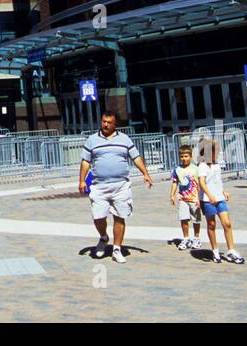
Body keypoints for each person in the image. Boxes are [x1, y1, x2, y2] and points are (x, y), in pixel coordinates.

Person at [79, 111, 153, 263]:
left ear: (115, 124)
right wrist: (81, 180)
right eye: (103, 121)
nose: (105, 125)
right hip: (99, 185)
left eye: (109, 122)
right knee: (98, 216)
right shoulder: (92, 140)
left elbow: (136, 157)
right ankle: (104, 237)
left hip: (121, 185)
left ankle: (117, 249)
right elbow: (85, 161)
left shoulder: (124, 139)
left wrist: (145, 173)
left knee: (120, 216)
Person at [197, 138, 244, 264]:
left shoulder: (217, 165)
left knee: (227, 223)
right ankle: (215, 250)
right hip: (208, 200)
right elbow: (201, 182)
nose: (217, 153)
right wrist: (209, 195)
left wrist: (223, 192)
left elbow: (218, 181)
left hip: (220, 198)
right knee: (211, 225)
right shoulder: (202, 166)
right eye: (215, 151)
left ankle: (231, 250)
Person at [169, 142, 202, 250]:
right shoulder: (177, 169)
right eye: (182, 156)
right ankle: (186, 238)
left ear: (191, 156)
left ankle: (196, 239)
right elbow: (175, 182)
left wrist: (200, 198)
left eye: (186, 156)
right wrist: (172, 195)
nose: (184, 158)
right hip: (183, 198)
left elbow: (200, 184)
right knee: (184, 219)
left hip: (194, 198)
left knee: (196, 219)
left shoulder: (196, 169)